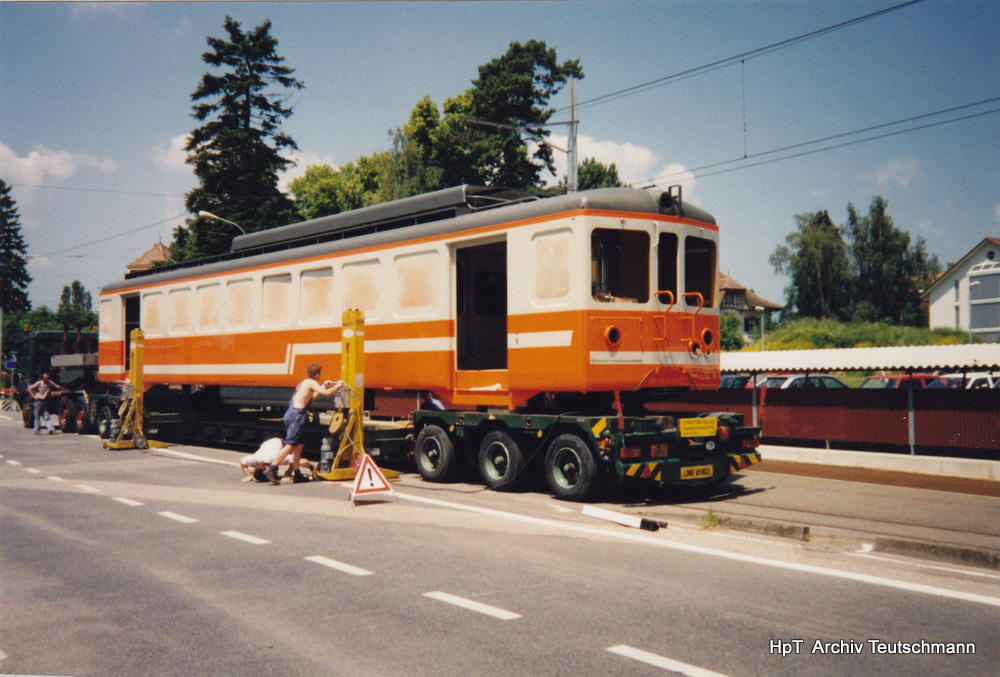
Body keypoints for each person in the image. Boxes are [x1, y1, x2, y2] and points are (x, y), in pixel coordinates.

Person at [264, 363, 342, 484]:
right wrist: (337, 386)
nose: (321, 376)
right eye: (320, 373)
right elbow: (325, 394)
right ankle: (271, 469)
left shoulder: (304, 383)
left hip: (291, 415)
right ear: (316, 374)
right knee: (290, 445)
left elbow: (312, 397)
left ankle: (297, 474)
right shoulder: (311, 382)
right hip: (296, 416)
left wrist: (324, 385)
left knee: (299, 445)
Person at [239, 438, 313, 482]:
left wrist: (288, 473)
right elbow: (242, 462)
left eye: (274, 474)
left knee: (299, 461)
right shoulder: (254, 459)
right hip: (267, 443)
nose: (276, 473)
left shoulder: (276, 458)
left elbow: (296, 459)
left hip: (280, 442)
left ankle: (312, 467)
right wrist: (248, 474)